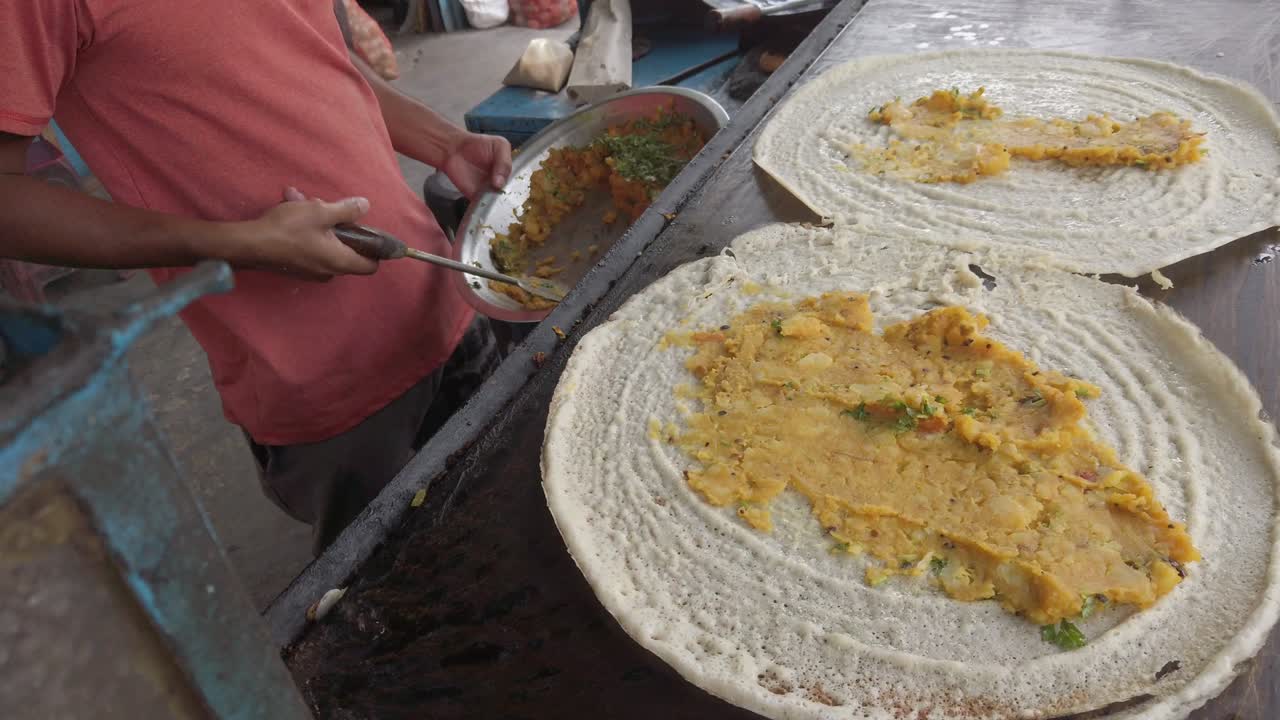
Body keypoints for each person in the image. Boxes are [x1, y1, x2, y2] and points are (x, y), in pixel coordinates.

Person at [0, 0, 512, 552]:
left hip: (439, 294)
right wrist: (236, 245)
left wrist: (445, 143)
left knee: (511, 514)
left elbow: (316, 53)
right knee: (410, 584)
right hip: (323, 381)